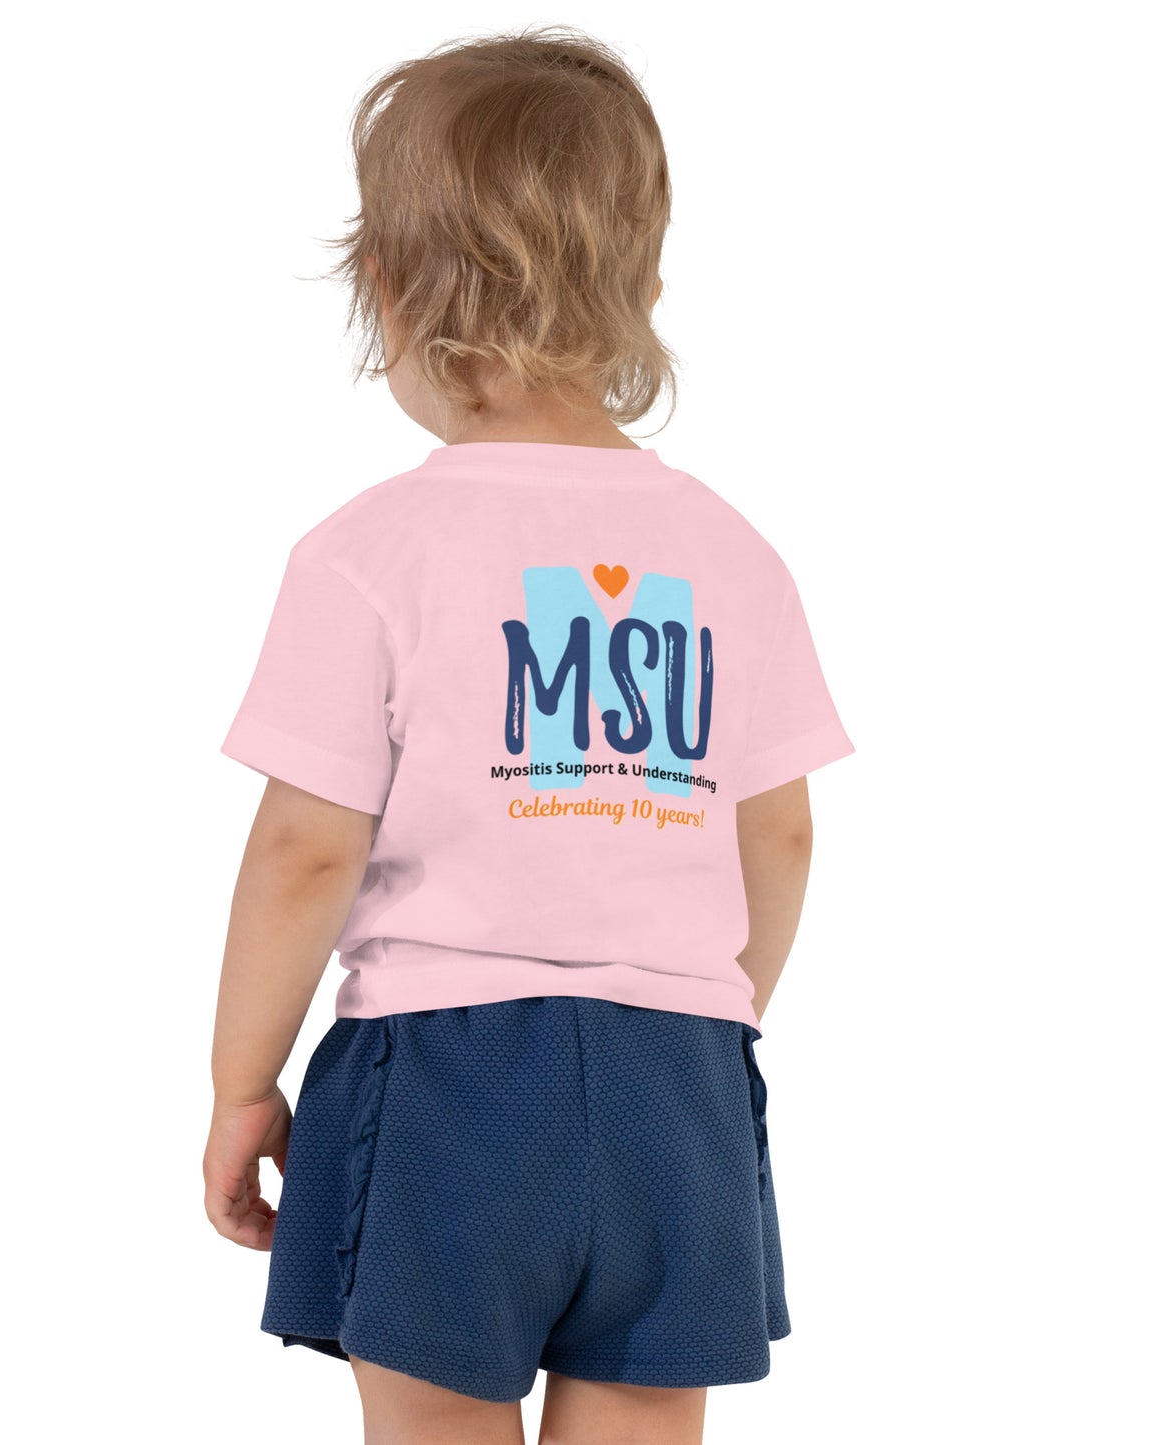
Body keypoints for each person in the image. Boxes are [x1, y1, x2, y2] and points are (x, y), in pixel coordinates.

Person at [202, 24, 855, 1445]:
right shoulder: (734, 556)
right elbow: (784, 833)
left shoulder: (368, 552)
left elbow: (306, 848)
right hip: (678, 1089)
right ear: (646, 285)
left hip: (445, 1079)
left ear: (385, 287)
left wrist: (243, 1082)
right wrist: (700, 1006)